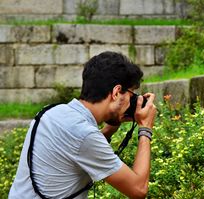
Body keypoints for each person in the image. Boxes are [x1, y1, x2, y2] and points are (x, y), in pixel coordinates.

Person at [9, 51, 157, 199]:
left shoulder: (50, 112)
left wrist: (112, 125)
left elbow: (78, 148)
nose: (132, 102)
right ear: (116, 92)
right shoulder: (84, 134)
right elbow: (138, 189)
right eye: (131, 96)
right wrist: (145, 128)